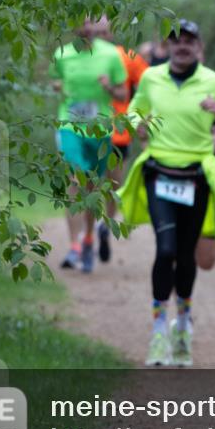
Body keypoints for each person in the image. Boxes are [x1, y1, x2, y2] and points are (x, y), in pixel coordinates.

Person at [118, 19, 215, 367]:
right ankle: (160, 327)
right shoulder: (151, 77)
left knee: (188, 255)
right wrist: (137, 125)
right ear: (167, 46)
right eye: (176, 41)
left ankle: (183, 326)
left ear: (198, 47)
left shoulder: (214, 82)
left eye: (189, 41)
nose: (182, 46)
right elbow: (133, 110)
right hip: (159, 173)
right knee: (166, 250)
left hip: (196, 177)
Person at [135, 36, 215, 271]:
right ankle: (169, 289)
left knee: (205, 261)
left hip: (202, 176)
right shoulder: (160, 85)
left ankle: (183, 270)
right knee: (169, 248)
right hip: (164, 172)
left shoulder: (214, 88)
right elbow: (139, 118)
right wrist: (145, 136)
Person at [50, 17, 128, 273]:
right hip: (69, 125)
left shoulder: (111, 55)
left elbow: (122, 94)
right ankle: (74, 246)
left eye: (90, 23)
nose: (85, 28)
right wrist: (58, 86)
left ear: (95, 27)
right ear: (74, 27)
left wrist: (109, 87)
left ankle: (89, 239)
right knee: (75, 180)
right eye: (80, 22)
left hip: (100, 128)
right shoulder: (61, 54)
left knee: (93, 186)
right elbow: (55, 82)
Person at [88, 16, 149, 263]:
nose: (101, 36)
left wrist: (139, 116)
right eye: (96, 32)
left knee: (113, 184)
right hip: (87, 130)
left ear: (112, 33)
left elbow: (150, 83)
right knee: (89, 185)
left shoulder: (127, 57)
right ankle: (89, 233)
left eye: (105, 32)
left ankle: (106, 225)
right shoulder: (81, 58)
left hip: (117, 132)